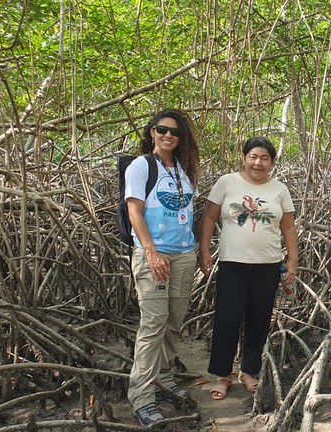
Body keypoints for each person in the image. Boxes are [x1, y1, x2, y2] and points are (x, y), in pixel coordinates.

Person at [198, 136, 298, 401]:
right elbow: (209, 217)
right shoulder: (227, 183)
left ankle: (248, 371)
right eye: (253, 156)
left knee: (258, 320)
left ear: (272, 163)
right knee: (227, 319)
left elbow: (288, 226)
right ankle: (222, 375)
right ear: (243, 158)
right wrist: (204, 251)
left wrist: (292, 261)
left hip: (268, 265)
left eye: (265, 158)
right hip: (233, 264)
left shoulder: (280, 189)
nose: (258, 162)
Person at [126, 109, 200, 426]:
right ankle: (142, 397)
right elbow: (134, 211)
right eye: (162, 130)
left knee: (173, 321)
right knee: (153, 323)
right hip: (153, 255)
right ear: (152, 133)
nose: (168, 135)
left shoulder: (184, 170)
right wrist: (151, 251)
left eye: (175, 132)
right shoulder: (142, 165)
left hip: (184, 255)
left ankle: (166, 378)